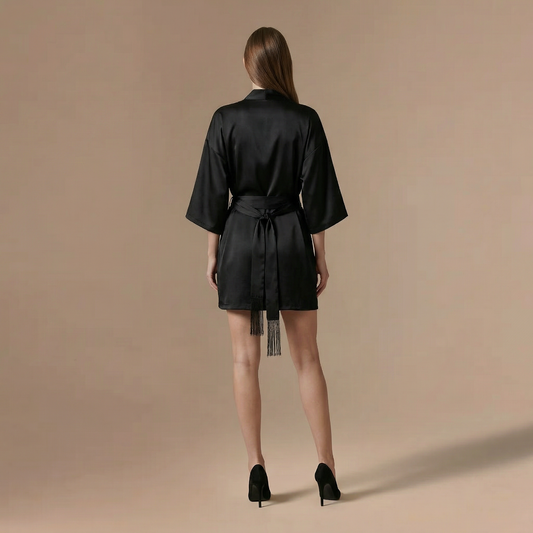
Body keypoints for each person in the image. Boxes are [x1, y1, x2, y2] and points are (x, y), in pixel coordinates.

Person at [185, 27, 348, 507]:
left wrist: (213, 253)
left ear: (247, 64)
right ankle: (327, 468)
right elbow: (317, 197)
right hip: (291, 239)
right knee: (308, 358)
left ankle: (256, 469)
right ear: (284, 65)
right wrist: (319, 255)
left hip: (240, 239)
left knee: (244, 360)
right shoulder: (305, 119)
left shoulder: (225, 119)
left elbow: (213, 194)